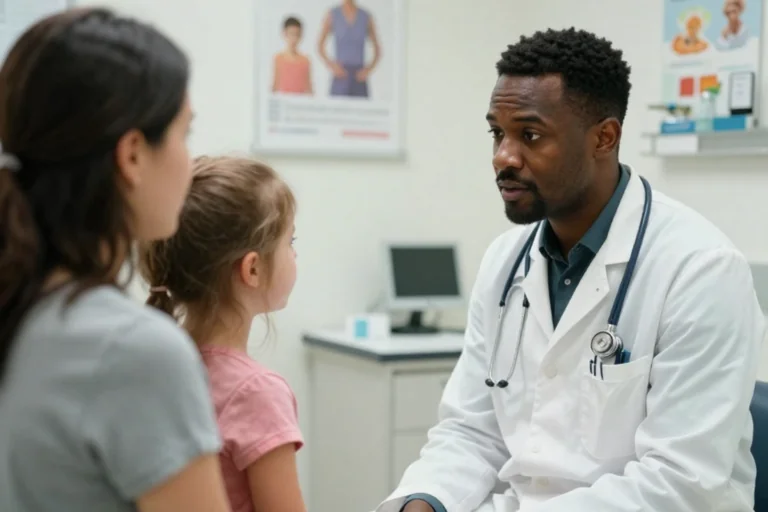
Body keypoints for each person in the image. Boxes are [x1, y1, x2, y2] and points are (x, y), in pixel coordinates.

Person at [378, 28, 764, 512]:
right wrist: (425, 501)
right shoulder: (505, 261)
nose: (503, 157)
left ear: (605, 137)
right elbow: (471, 431)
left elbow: (679, 483)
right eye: (497, 133)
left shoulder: (701, 272)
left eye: (530, 135)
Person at [0, 8, 233, 512]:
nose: (190, 162)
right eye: (183, 134)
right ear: (131, 155)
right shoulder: (136, 351)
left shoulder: (21, 308)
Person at [138, 155, 305, 512]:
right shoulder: (258, 393)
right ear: (253, 268)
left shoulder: (158, 367)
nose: (294, 254)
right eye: (291, 241)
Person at [317, 0, 381, 98]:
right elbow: (320, 45)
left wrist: (368, 69)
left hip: (359, 76)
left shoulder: (365, 16)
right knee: (337, 110)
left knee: (360, 110)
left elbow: (377, 48)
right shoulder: (332, 15)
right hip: (341, 75)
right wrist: (332, 66)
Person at [272, 16, 313, 95]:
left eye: (297, 34)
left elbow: (309, 87)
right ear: (284, 34)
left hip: (300, 103)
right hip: (284, 102)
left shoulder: (305, 60)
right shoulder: (279, 59)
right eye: (291, 34)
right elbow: (275, 85)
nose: (294, 38)